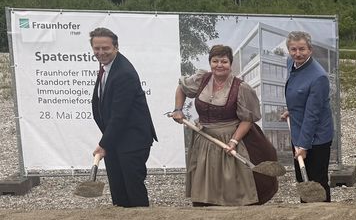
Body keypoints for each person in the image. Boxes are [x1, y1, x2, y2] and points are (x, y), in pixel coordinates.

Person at [171, 45, 278, 206]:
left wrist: (234, 141)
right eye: (215, 61)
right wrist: (178, 109)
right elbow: (181, 88)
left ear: (230, 64)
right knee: (206, 179)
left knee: (233, 184)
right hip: (204, 139)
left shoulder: (241, 88)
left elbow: (247, 119)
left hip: (232, 136)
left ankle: (234, 217)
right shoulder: (202, 79)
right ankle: (207, 209)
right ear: (210, 63)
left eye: (224, 61)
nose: (219, 65)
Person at [89, 27, 157, 208]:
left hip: (132, 140)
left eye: (105, 48)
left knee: (133, 190)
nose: (101, 52)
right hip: (116, 139)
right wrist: (107, 142)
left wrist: (103, 144)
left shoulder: (124, 72)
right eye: (97, 48)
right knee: (119, 190)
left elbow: (120, 115)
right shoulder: (107, 66)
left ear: (116, 47)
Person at [282, 31, 334, 202]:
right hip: (298, 130)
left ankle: (323, 218)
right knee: (302, 181)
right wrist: (293, 111)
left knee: (316, 182)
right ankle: (306, 217)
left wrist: (303, 146)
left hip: (316, 138)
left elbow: (313, 114)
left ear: (310, 50)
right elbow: (299, 95)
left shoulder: (318, 77)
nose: (297, 53)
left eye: (302, 49)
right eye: (293, 49)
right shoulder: (291, 63)